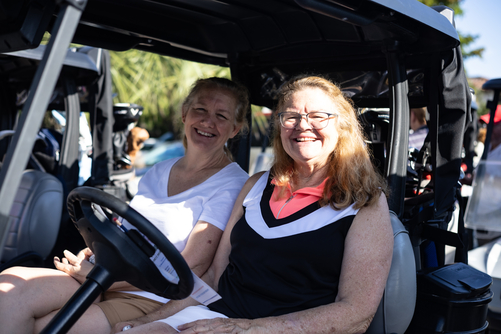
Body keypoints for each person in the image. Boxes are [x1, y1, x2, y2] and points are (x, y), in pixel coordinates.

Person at [112, 75, 393, 334]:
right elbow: (212, 278)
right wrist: (146, 321)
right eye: (291, 116)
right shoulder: (256, 186)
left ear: (342, 126)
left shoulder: (364, 202)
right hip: (217, 318)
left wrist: (249, 329)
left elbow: (356, 313)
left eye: (318, 116)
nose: (302, 125)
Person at [0, 77, 250, 334]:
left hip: (154, 297)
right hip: (108, 276)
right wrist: (98, 249)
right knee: (8, 287)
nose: (208, 121)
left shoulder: (233, 183)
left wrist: (103, 276)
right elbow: (127, 232)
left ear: (234, 128)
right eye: (201, 110)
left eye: (221, 115)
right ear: (185, 114)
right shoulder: (159, 170)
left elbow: (189, 268)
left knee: (44, 327)